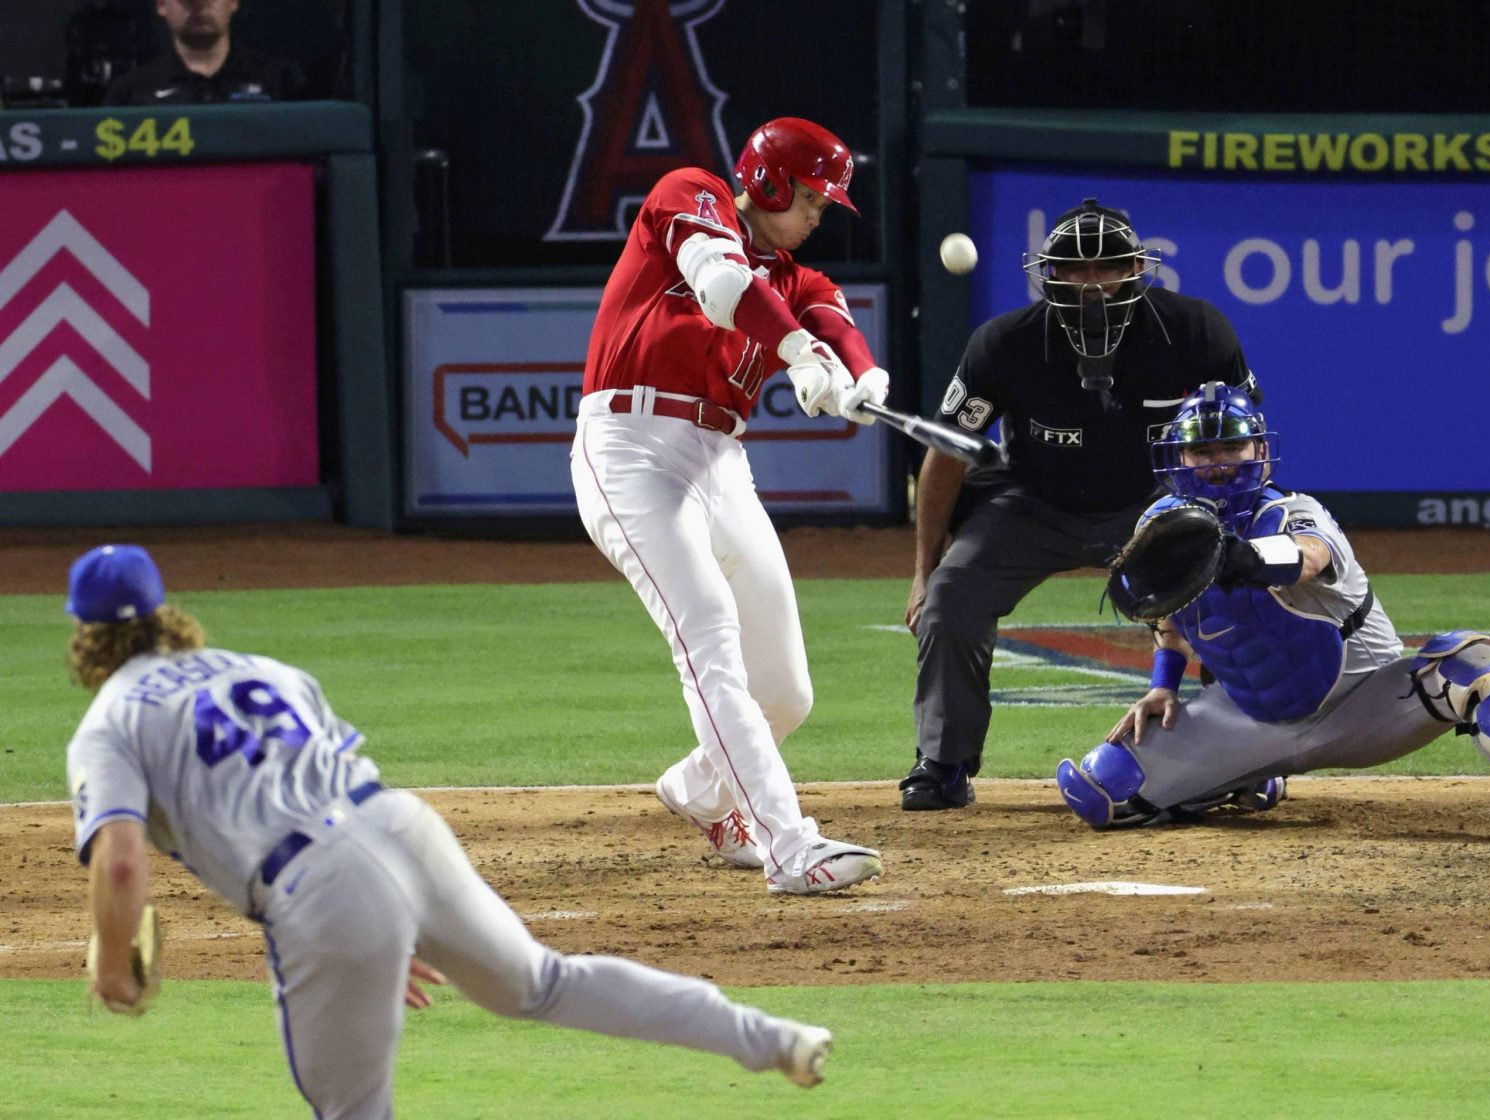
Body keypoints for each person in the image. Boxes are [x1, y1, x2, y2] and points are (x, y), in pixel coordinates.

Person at [64, 544, 835, 1118]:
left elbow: (123, 866)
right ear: (166, 612)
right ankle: (771, 1039)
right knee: (546, 984)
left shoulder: (108, 723)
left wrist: (110, 971)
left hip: (319, 892)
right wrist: (380, 928)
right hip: (400, 830)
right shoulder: (261, 669)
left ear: (83, 637)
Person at [571, 117, 888, 894]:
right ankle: (790, 846)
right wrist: (795, 354)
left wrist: (860, 376)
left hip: (721, 459)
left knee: (785, 687)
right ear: (770, 181)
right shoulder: (692, 192)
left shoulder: (795, 277)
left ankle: (700, 791)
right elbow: (720, 287)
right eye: (811, 198)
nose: (818, 215)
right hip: (632, 445)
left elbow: (834, 322)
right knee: (709, 633)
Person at [900, 198, 1259, 811]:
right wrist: (922, 573)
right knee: (951, 597)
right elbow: (947, 454)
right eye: (1075, 268)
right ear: (1050, 274)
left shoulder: (1197, 331)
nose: (1092, 283)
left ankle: (1242, 758)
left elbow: (1242, 442)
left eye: (1108, 267)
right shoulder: (1004, 344)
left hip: (1154, 502)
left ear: (1136, 269)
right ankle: (943, 761)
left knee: (1226, 593)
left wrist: (1234, 539)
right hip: (1034, 503)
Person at [1055, 383, 1490, 827]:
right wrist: (1162, 684)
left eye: (1233, 446)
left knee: (1473, 665)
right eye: (1202, 450)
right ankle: (1245, 777)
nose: (1219, 463)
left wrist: (1237, 557)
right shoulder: (1163, 525)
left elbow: (1309, 556)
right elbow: (1169, 617)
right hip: (1250, 718)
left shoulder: (1292, 511)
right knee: (1103, 788)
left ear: (1259, 450)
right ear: (1180, 456)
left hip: (1366, 703)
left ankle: (1232, 776)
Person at [103, 0, 303, 105]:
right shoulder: (130, 93)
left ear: (233, 1)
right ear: (161, 5)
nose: (200, 4)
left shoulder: (279, 80)